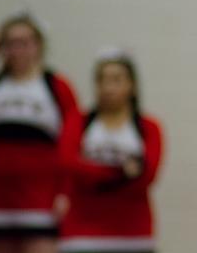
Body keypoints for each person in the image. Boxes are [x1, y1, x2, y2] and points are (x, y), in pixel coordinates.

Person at [0, 13, 82, 253]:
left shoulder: (56, 86)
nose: (17, 50)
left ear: (38, 46)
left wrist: (65, 191)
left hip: (40, 196)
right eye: (10, 43)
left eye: (25, 42)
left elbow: (72, 146)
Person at [58, 50, 163, 253]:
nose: (108, 87)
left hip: (134, 233)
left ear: (132, 85)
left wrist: (93, 173)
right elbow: (68, 164)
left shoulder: (149, 127)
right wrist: (121, 172)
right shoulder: (77, 121)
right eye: (102, 80)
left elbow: (146, 177)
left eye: (116, 80)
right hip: (81, 232)